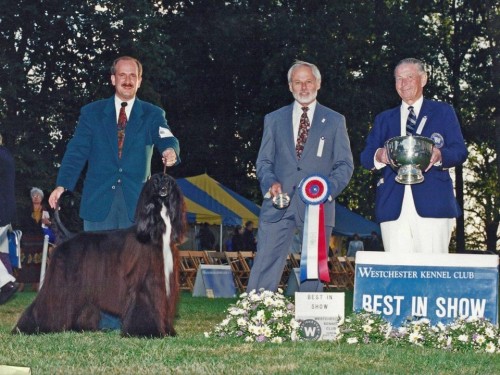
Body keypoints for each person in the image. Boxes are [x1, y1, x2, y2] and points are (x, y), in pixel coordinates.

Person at [247, 60, 354, 293]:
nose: (303, 87)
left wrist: (327, 190)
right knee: (265, 262)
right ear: (290, 86)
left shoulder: (335, 121)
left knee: (313, 269)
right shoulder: (273, 119)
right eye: (298, 82)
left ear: (318, 84)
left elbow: (345, 165)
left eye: (308, 81)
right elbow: (264, 161)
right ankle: (254, 318)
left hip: (318, 206)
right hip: (278, 203)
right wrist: (270, 182)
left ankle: (310, 321)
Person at [48, 56, 180, 231]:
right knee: (97, 259)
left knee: (134, 259)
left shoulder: (153, 114)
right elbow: (76, 152)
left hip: (137, 206)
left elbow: (167, 138)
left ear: (139, 81)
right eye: (122, 75)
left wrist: (170, 150)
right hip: (97, 203)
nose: (127, 81)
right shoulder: (91, 113)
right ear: (113, 79)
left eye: (133, 76)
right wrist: (62, 185)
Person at [360, 58, 468, 253]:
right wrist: (380, 155)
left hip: (434, 204)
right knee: (397, 273)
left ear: (423, 79)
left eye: (410, 77)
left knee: (434, 270)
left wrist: (439, 155)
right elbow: (366, 157)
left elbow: (460, 151)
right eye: (399, 78)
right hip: (393, 206)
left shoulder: (443, 112)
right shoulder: (384, 119)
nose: (404, 83)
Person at [0, 133, 18, 304]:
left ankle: (6, 282)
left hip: (1, 210)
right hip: (6, 210)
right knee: (2, 252)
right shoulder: (5, 154)